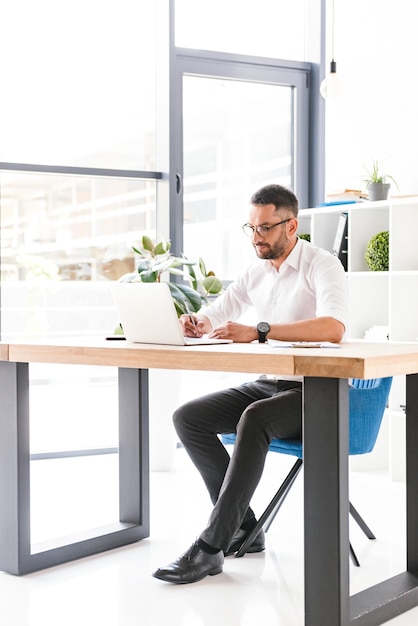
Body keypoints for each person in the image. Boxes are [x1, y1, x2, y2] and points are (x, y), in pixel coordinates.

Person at [152, 183, 348, 584]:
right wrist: (197, 323)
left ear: (291, 226)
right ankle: (243, 527)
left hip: (316, 390)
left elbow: (333, 327)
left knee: (255, 418)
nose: (256, 237)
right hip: (269, 384)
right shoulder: (255, 273)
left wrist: (261, 331)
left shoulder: (322, 264)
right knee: (189, 417)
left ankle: (210, 548)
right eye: (251, 227)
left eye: (265, 228)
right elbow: (219, 311)